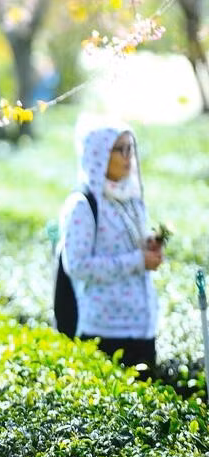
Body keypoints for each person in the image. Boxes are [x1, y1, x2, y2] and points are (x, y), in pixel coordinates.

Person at [60, 117, 162, 376]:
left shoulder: (131, 197)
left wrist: (148, 246)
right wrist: (138, 261)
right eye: (120, 149)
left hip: (142, 327)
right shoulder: (82, 205)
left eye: (131, 148)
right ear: (98, 153)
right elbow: (78, 266)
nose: (128, 157)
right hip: (105, 332)